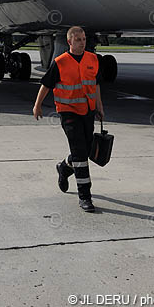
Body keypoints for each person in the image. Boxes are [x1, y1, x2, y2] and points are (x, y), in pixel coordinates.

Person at [33, 26, 104, 212]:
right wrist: (37, 105)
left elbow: (95, 84)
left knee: (87, 149)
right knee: (80, 154)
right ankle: (85, 197)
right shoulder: (60, 62)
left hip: (87, 111)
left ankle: (64, 167)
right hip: (68, 113)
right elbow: (46, 85)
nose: (82, 42)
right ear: (70, 42)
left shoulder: (93, 59)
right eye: (78, 39)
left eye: (84, 39)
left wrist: (99, 106)